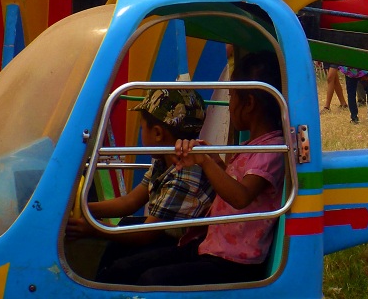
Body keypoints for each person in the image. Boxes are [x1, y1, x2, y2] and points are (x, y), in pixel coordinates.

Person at [103, 51, 287, 285]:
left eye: (231, 97)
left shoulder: (271, 150)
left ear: (248, 103)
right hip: (210, 247)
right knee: (125, 268)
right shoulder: (252, 146)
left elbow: (241, 197)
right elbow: (233, 185)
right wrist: (214, 159)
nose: (229, 106)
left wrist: (206, 162)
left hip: (235, 262)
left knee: (151, 279)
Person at [66, 89, 214, 281]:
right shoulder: (164, 160)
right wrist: (82, 209)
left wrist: (94, 229)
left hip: (183, 243)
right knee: (125, 226)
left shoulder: (185, 173)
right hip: (162, 232)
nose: (141, 131)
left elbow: (146, 235)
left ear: (158, 133)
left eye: (143, 127)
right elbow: (130, 202)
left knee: (121, 268)